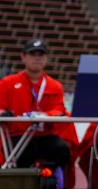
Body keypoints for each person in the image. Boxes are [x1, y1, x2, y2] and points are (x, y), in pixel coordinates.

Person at [0, 40, 76, 179]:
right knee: (24, 153)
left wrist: (45, 116)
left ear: (46, 59)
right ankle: (23, 183)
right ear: (23, 57)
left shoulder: (55, 86)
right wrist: (4, 114)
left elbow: (59, 109)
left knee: (62, 149)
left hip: (44, 135)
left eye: (41, 55)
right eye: (32, 54)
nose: (37, 58)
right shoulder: (7, 83)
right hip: (18, 135)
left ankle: (49, 180)